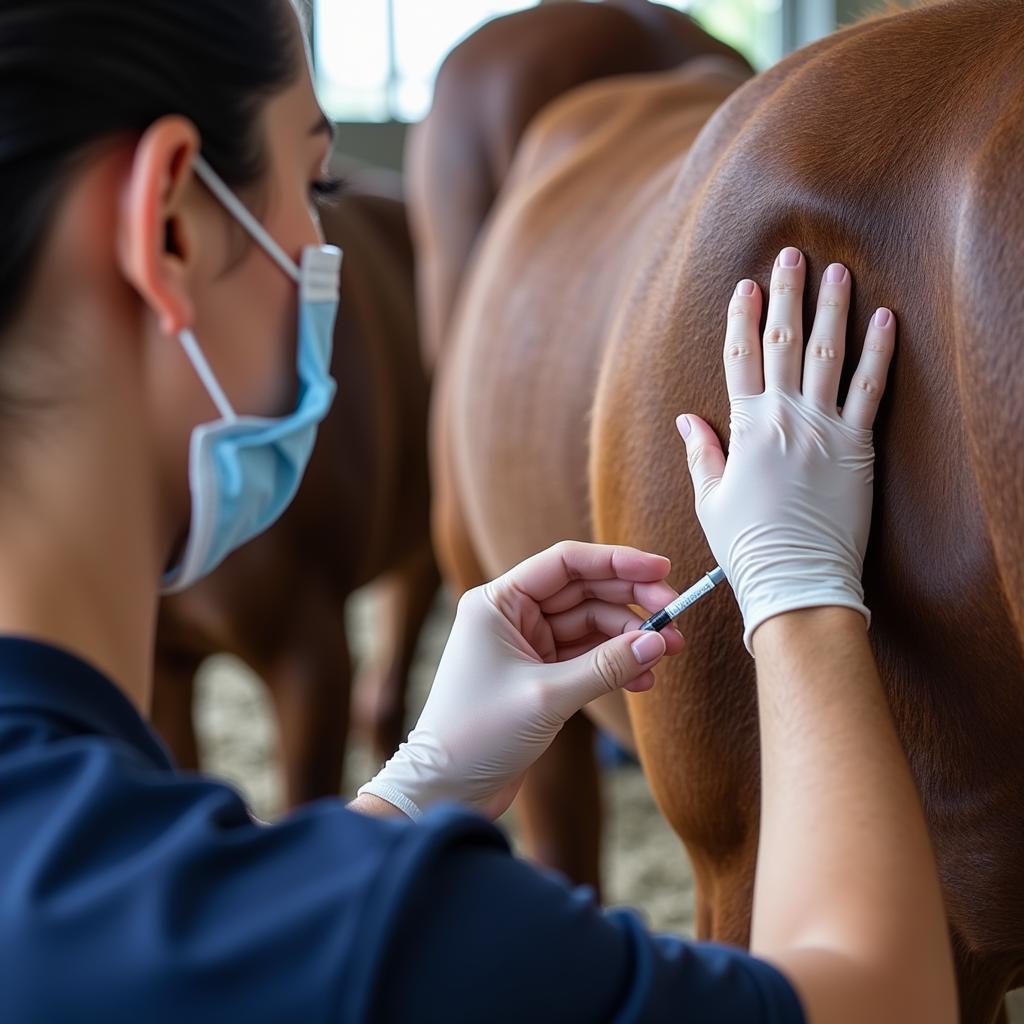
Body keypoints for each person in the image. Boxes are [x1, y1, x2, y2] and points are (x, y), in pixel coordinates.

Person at [0, 2, 956, 1022]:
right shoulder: (384, 936)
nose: (321, 239)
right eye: (313, 179)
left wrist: (415, 787)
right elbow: (880, 1001)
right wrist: (798, 583)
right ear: (171, 226)